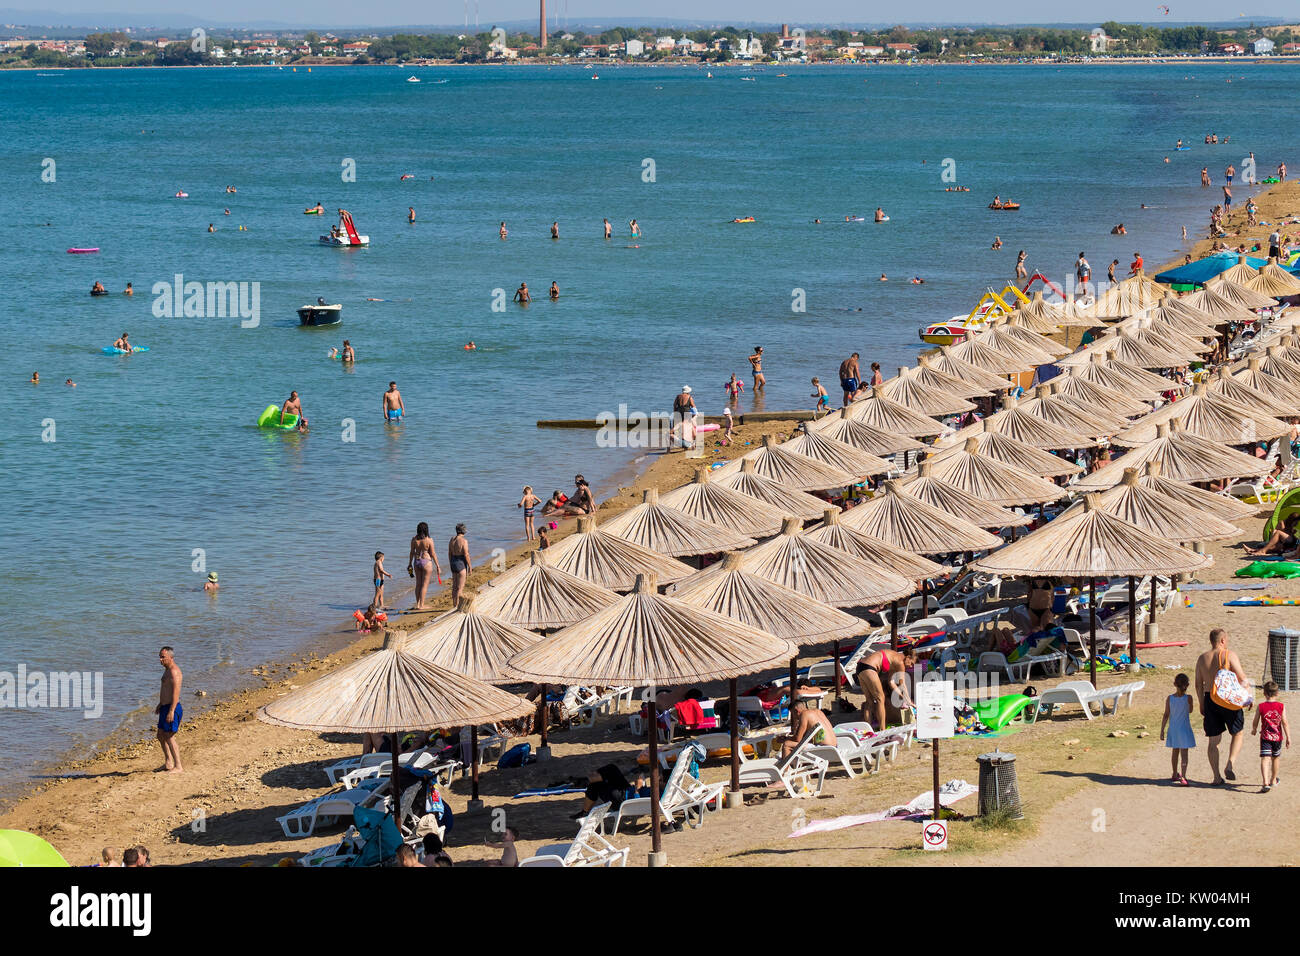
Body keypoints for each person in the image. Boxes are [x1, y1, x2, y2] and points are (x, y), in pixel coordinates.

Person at [1195, 628, 1251, 786]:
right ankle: (1230, 763)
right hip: (1227, 698)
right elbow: (1242, 678)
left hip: (1209, 698)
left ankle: (1216, 777)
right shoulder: (1229, 655)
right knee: (1238, 733)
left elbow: (1198, 684)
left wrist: (1201, 703)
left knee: (1213, 740)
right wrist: (1248, 696)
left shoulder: (1201, 658)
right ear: (1222, 640)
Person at [856, 647, 916, 731]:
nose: (910, 666)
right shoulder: (900, 662)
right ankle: (883, 731)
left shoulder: (894, 659)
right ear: (908, 657)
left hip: (860, 667)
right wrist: (909, 701)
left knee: (869, 701)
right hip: (869, 667)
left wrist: (902, 696)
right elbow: (902, 684)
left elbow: (891, 682)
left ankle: (868, 731)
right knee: (881, 698)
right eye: (912, 663)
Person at [1253, 680, 1289, 793]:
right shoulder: (1281, 706)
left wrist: (1254, 729)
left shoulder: (1261, 706)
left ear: (1264, 693)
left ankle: (1265, 782)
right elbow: (1285, 722)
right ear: (1277, 693)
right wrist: (1288, 737)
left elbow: (1256, 720)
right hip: (1277, 738)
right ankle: (1273, 780)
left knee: (1265, 758)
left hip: (1265, 738)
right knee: (1275, 758)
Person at [1161, 672, 1195, 786]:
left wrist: (1162, 730)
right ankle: (1184, 776)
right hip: (1184, 729)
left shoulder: (1170, 698)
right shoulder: (1189, 698)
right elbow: (1190, 711)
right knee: (1184, 754)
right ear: (1187, 685)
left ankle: (1175, 773)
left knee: (1175, 752)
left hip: (1173, 729)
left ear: (1175, 684)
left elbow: (1166, 714)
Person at [155, 646, 183, 773]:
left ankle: (178, 766)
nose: (160, 660)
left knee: (169, 736)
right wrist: (160, 704)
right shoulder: (167, 670)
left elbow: (176, 693)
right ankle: (168, 762)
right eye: (160, 657)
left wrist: (171, 710)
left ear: (171, 657)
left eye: (163, 657)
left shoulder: (174, 672)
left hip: (173, 707)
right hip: (165, 706)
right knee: (160, 735)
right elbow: (166, 690)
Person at [407, 521, 441, 610]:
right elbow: (433, 553)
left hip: (417, 561)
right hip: (426, 561)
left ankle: (418, 604)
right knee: (424, 585)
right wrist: (438, 565)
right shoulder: (429, 540)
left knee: (418, 584)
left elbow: (411, 552)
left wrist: (410, 563)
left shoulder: (414, 539)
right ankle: (421, 605)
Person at [448, 523, 471, 603]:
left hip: (453, 562)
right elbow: (466, 554)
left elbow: (449, 553)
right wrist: (470, 566)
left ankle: (454, 604)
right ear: (464, 531)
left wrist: (450, 562)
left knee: (454, 586)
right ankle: (457, 605)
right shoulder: (464, 541)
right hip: (460, 563)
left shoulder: (452, 539)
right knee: (460, 588)